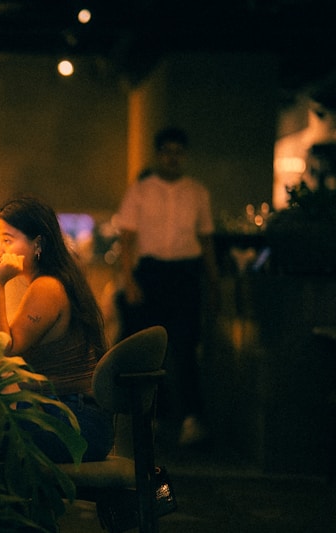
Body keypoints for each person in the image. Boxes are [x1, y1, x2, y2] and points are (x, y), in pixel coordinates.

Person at [0, 196, 112, 463]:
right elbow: (3, 337)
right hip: (70, 415)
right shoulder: (51, 280)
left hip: (75, 422)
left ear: (37, 243)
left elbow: (0, 349)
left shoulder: (47, 288)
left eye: (8, 240)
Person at [115, 127, 219, 447]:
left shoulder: (197, 193)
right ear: (158, 155)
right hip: (151, 274)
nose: (173, 158)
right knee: (151, 350)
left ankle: (190, 419)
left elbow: (205, 238)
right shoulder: (141, 191)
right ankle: (154, 417)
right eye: (167, 152)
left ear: (184, 156)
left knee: (186, 347)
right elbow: (127, 239)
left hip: (186, 274)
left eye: (178, 152)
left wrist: (213, 281)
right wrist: (128, 279)